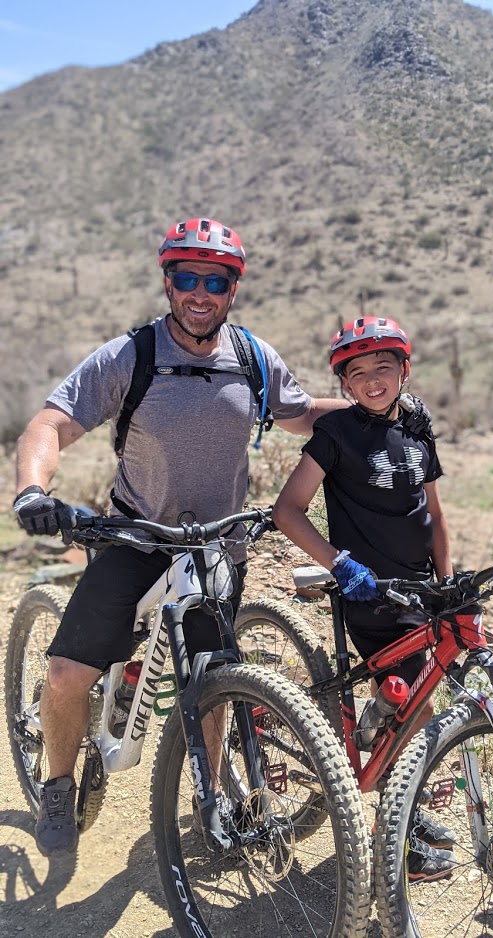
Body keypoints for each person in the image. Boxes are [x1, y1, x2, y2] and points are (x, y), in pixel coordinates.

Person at [13, 216, 350, 857]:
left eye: (215, 280)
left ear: (232, 289)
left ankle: (212, 792)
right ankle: (57, 785)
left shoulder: (253, 357)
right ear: (168, 283)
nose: (201, 291)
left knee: (213, 682)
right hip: (134, 540)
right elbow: (50, 425)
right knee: (65, 674)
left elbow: (303, 416)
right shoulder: (131, 357)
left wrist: (375, 410)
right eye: (187, 277)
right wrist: (33, 489)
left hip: (216, 547)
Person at [272, 315, 458, 882]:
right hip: (370, 592)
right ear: (345, 385)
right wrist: (339, 563)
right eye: (358, 373)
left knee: (418, 700)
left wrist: (447, 583)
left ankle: (407, 804)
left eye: (384, 367)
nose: (373, 380)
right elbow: (287, 510)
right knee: (411, 707)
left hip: (419, 590)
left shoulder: (418, 426)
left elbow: (434, 515)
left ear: (404, 369)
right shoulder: (338, 435)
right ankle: (393, 836)